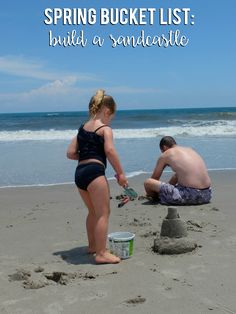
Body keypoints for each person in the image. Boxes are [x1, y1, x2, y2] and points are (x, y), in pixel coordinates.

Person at [67, 89, 128, 264]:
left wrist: (86, 155)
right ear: (107, 111)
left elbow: (70, 153)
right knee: (103, 213)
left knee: (92, 212)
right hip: (95, 173)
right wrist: (121, 173)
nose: (111, 120)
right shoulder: (105, 129)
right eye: (112, 116)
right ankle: (101, 253)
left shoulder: (82, 128)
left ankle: (93, 246)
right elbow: (109, 150)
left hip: (80, 174)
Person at [144, 136, 212, 205]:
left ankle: (158, 197)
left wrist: (151, 193)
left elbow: (154, 178)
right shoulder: (190, 150)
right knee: (177, 175)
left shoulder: (166, 154)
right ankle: (166, 192)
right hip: (207, 194)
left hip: (189, 196)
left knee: (148, 182)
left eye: (162, 151)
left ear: (164, 147)